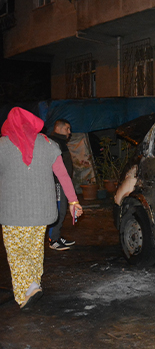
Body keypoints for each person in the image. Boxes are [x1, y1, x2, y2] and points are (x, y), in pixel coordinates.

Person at [0, 107, 83, 309]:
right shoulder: (48, 144)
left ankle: (25, 293)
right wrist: (74, 201)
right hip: (41, 211)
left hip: (13, 213)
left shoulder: (2, 146)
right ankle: (34, 283)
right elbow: (63, 175)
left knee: (17, 253)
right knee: (35, 250)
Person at [46, 119, 76, 251]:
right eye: (67, 129)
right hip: (57, 183)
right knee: (59, 210)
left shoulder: (60, 142)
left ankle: (56, 236)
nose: (69, 132)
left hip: (62, 182)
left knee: (62, 210)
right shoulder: (53, 142)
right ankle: (53, 240)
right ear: (58, 128)